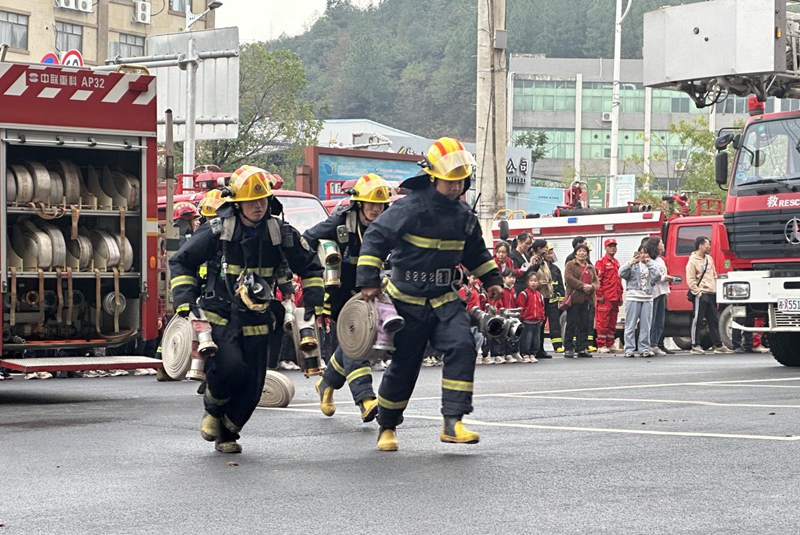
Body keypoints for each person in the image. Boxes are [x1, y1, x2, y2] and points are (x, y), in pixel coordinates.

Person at [356, 137, 503, 452]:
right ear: (434, 177)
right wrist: (368, 278)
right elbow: (376, 237)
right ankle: (387, 426)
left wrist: (491, 277)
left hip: (444, 299)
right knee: (405, 365)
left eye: (460, 181)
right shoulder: (409, 208)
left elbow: (476, 252)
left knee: (463, 345)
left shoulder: (465, 215)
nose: (455, 187)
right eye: (450, 181)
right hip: (406, 301)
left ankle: (453, 423)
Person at [169, 165, 324, 454]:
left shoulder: (281, 232)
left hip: (259, 318)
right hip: (221, 313)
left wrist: (313, 300)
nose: (258, 206)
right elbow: (182, 261)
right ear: (237, 203)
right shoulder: (218, 230)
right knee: (229, 366)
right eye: (252, 201)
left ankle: (228, 433)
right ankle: (213, 411)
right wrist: (184, 298)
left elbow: (311, 266)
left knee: (254, 384)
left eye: (263, 200)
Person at [304, 173, 392, 423]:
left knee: (351, 345)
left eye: (380, 205)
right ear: (359, 204)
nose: (376, 209)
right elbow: (307, 239)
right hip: (340, 296)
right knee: (357, 343)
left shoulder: (388, 226)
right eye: (371, 204)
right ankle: (365, 399)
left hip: (372, 296)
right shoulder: (339, 224)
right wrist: (318, 265)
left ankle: (326, 384)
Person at [686, 236, 733, 355]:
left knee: (714, 320)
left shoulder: (709, 259)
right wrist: (698, 293)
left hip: (711, 293)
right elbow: (690, 279)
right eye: (707, 244)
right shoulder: (692, 261)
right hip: (701, 294)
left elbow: (713, 274)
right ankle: (695, 345)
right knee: (698, 320)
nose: (709, 247)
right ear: (701, 246)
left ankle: (718, 345)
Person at [619, 245, 660, 358]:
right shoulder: (633, 264)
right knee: (630, 324)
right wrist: (630, 263)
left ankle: (644, 348)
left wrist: (649, 264)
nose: (643, 255)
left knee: (646, 325)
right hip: (633, 296)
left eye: (645, 253)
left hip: (647, 297)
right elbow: (621, 273)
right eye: (641, 253)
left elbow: (658, 276)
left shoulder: (653, 264)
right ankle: (629, 348)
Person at [563, 244, 598, 358]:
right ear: (575, 253)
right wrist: (583, 286)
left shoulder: (590, 267)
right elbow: (569, 279)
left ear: (587, 254)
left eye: (584, 251)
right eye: (579, 251)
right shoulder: (570, 264)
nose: (582, 253)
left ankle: (581, 348)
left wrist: (591, 287)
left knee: (584, 324)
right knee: (571, 323)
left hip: (587, 299)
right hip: (574, 299)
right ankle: (568, 348)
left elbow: (596, 282)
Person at [594, 238, 623, 354]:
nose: (613, 248)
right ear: (605, 248)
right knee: (603, 322)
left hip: (615, 298)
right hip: (605, 298)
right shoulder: (601, 262)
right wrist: (599, 295)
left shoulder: (616, 262)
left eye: (614, 246)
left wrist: (620, 296)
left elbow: (618, 281)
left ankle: (610, 343)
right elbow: (597, 280)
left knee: (612, 322)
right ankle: (601, 344)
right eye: (610, 246)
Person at [646, 237, 674, 356]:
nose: (663, 245)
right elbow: (651, 275)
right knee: (652, 320)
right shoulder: (649, 260)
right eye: (661, 243)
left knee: (659, 320)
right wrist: (664, 278)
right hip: (654, 292)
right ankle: (650, 344)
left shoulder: (660, 260)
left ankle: (656, 343)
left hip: (662, 291)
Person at [488, 269, 519, 363]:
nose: (512, 280)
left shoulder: (513, 290)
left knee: (509, 336)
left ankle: (508, 353)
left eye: (513, 277)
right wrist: (499, 311)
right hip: (501, 315)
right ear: (503, 278)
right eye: (509, 277)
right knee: (499, 336)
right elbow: (497, 302)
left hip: (510, 316)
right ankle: (497, 354)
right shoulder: (501, 290)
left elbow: (514, 303)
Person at [517, 272, 545, 363]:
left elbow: (541, 307)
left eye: (535, 281)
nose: (533, 283)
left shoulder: (539, 295)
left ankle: (533, 353)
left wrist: (541, 317)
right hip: (527, 320)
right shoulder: (524, 294)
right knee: (526, 338)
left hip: (537, 321)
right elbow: (521, 307)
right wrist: (522, 316)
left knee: (536, 339)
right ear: (527, 282)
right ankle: (525, 354)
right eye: (531, 281)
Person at [543, 243, 565, 354]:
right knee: (540, 324)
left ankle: (557, 345)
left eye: (551, 253)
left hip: (553, 301)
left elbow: (560, 285)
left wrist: (561, 299)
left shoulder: (556, 269)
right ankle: (539, 346)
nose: (549, 255)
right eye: (547, 253)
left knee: (555, 324)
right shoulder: (540, 267)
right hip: (542, 301)